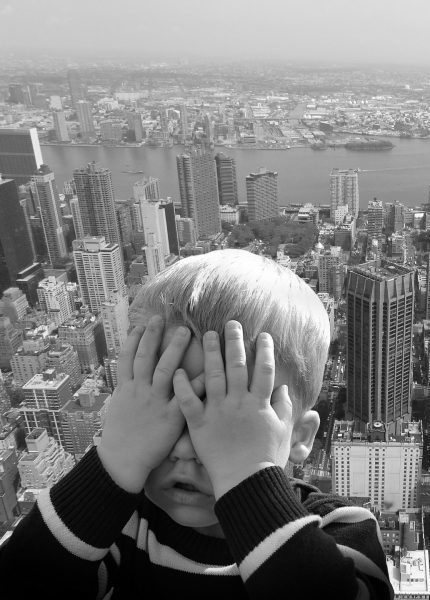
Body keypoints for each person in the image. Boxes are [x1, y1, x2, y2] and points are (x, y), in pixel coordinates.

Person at [0, 250, 394, 599]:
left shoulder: (340, 529)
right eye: (165, 409)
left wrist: (248, 477)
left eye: (232, 419)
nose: (187, 447)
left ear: (300, 436)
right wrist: (114, 462)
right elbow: (24, 583)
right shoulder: (118, 530)